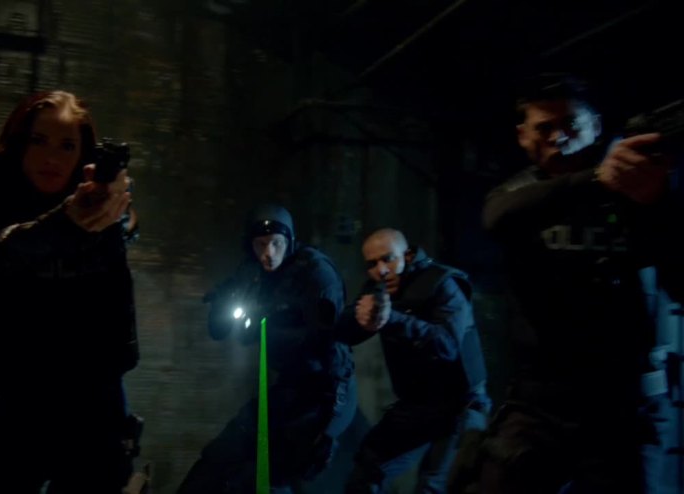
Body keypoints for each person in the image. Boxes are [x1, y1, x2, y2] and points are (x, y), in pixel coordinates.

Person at [472, 73, 684, 494]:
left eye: (571, 124)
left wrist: (657, 205)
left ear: (596, 127)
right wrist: (595, 180)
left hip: (625, 402)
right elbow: (498, 217)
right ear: (523, 136)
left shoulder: (641, 195)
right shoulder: (520, 194)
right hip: (539, 403)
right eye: (544, 128)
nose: (558, 137)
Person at [0, 90, 140, 494]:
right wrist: (70, 220)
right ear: (19, 144)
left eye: (67, 146)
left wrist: (114, 207)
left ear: (82, 155)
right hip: (23, 409)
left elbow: (123, 243)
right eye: (39, 140)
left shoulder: (101, 214)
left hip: (97, 408)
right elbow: (2, 252)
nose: (52, 157)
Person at [176, 203, 357, 493]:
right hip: (289, 385)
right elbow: (221, 328)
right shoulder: (253, 271)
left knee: (269, 476)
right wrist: (223, 304)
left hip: (322, 391)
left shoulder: (315, 273)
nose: (269, 253)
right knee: (218, 458)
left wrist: (328, 425)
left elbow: (330, 346)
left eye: (276, 243)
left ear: (290, 241)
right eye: (260, 244)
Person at [337, 228, 491, 493]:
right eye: (372, 264)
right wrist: (359, 318)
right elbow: (346, 330)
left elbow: (447, 345)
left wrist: (392, 319)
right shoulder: (377, 290)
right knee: (366, 471)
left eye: (388, 259)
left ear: (406, 256)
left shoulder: (442, 284)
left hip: (460, 406)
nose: (381, 270)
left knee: (433, 485)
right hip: (417, 405)